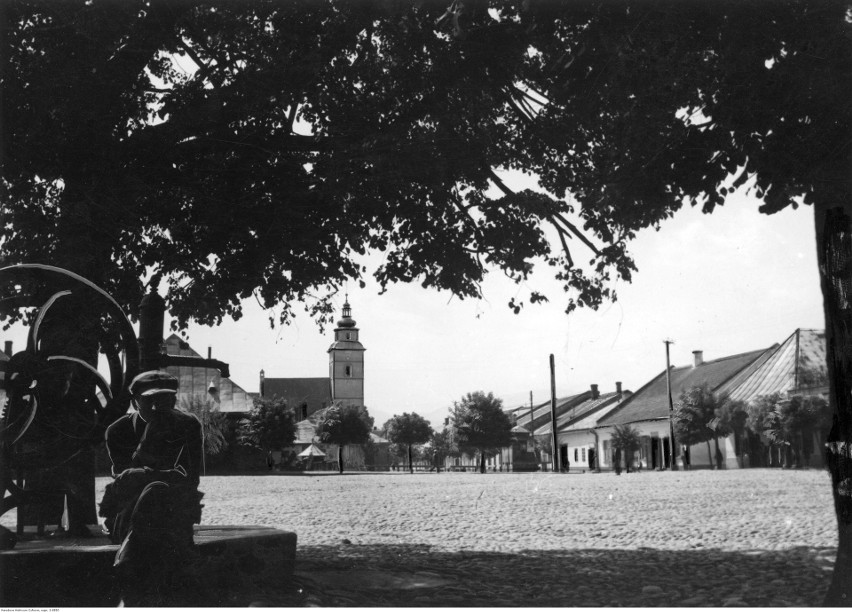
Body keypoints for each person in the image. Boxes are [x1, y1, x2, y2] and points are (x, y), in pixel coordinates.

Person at [98, 370, 204, 605]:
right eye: (150, 400)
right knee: (154, 491)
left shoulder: (188, 425)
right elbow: (124, 481)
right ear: (135, 401)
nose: (158, 407)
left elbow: (190, 478)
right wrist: (151, 439)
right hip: (128, 508)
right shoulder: (117, 431)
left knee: (156, 491)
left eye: (165, 399)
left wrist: (146, 474)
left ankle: (127, 559)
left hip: (174, 505)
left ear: (175, 400)